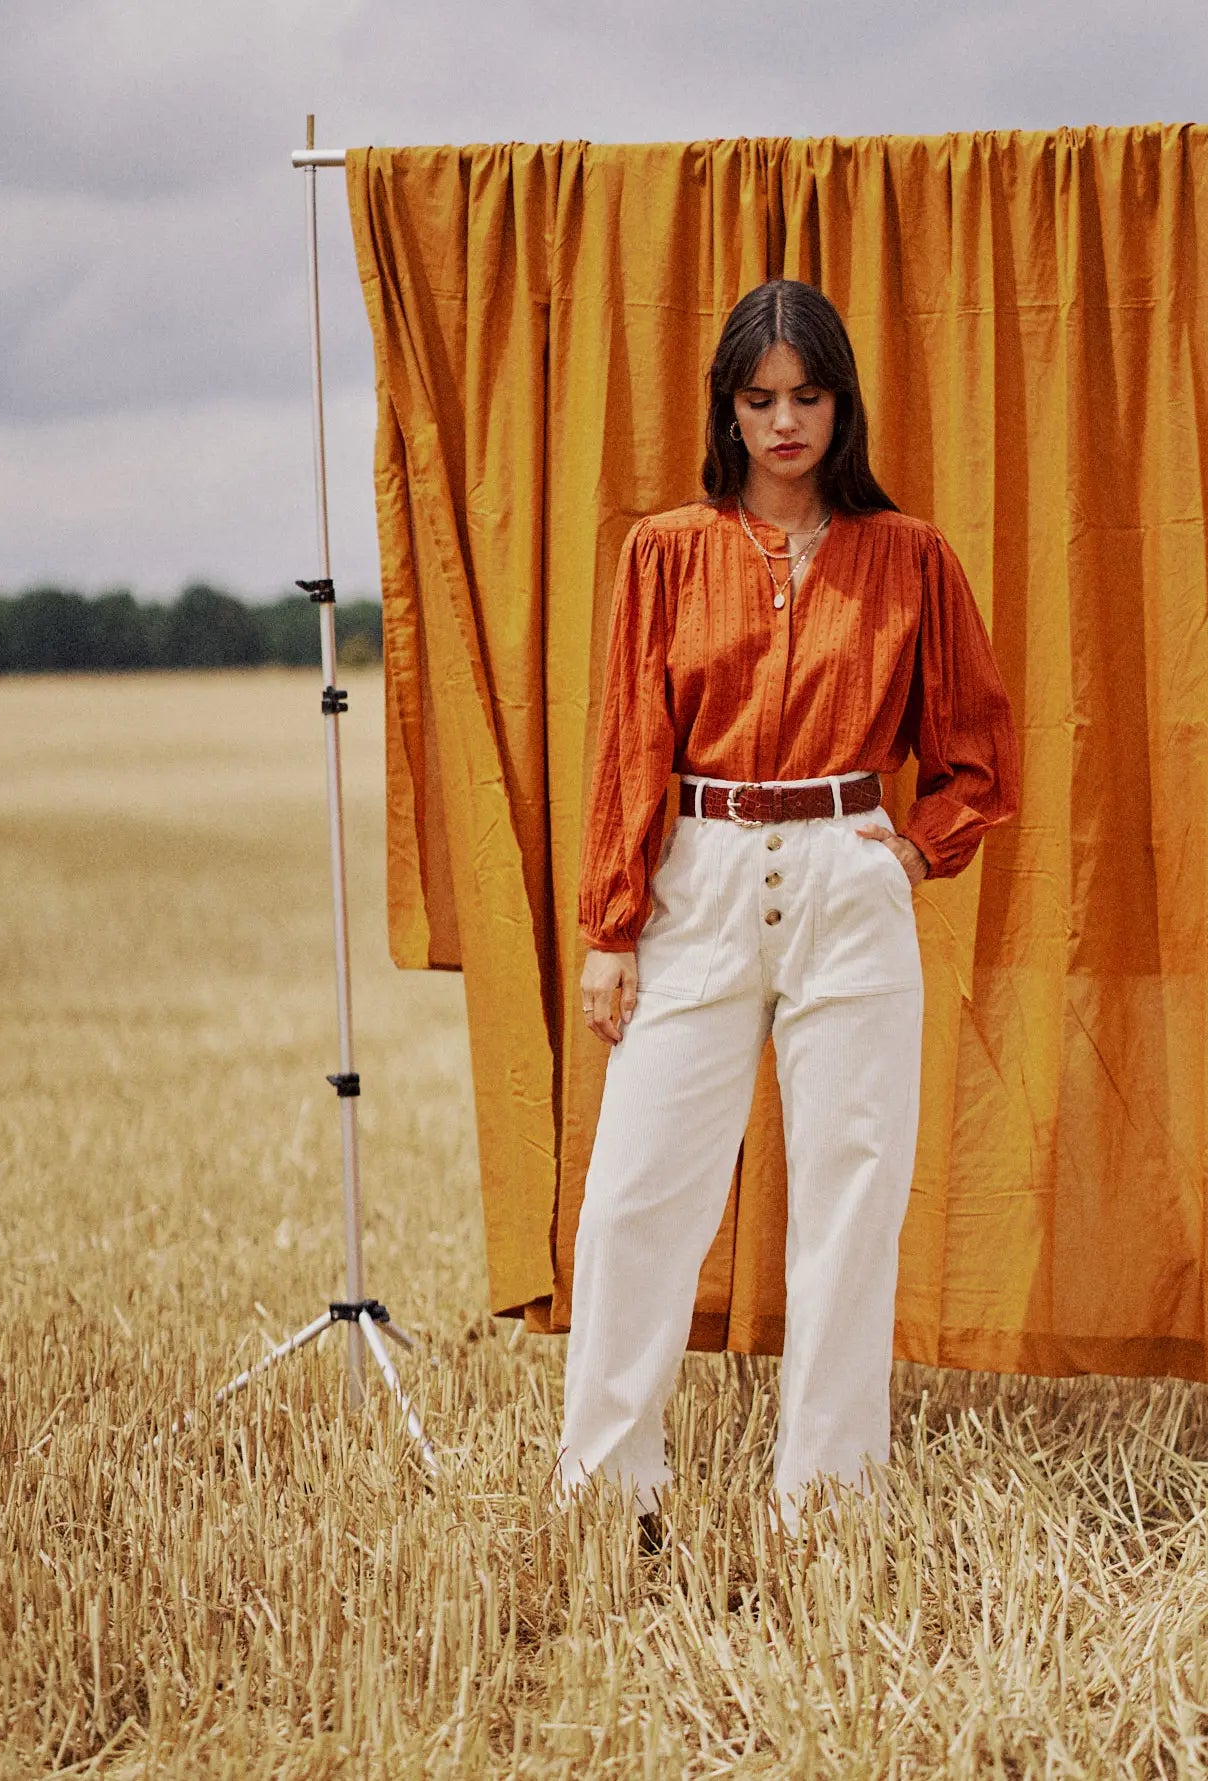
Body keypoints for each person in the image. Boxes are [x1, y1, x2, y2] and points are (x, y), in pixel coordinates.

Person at [554, 278, 1020, 1547]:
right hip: (696, 877)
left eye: (806, 395)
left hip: (847, 878)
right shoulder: (666, 549)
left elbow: (981, 752)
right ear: (728, 407)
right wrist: (608, 926)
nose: (783, 422)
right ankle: (608, 1493)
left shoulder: (911, 554)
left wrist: (914, 854)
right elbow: (624, 749)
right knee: (634, 1195)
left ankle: (824, 1507)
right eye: (758, 399)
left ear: (841, 401)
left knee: (850, 1198)